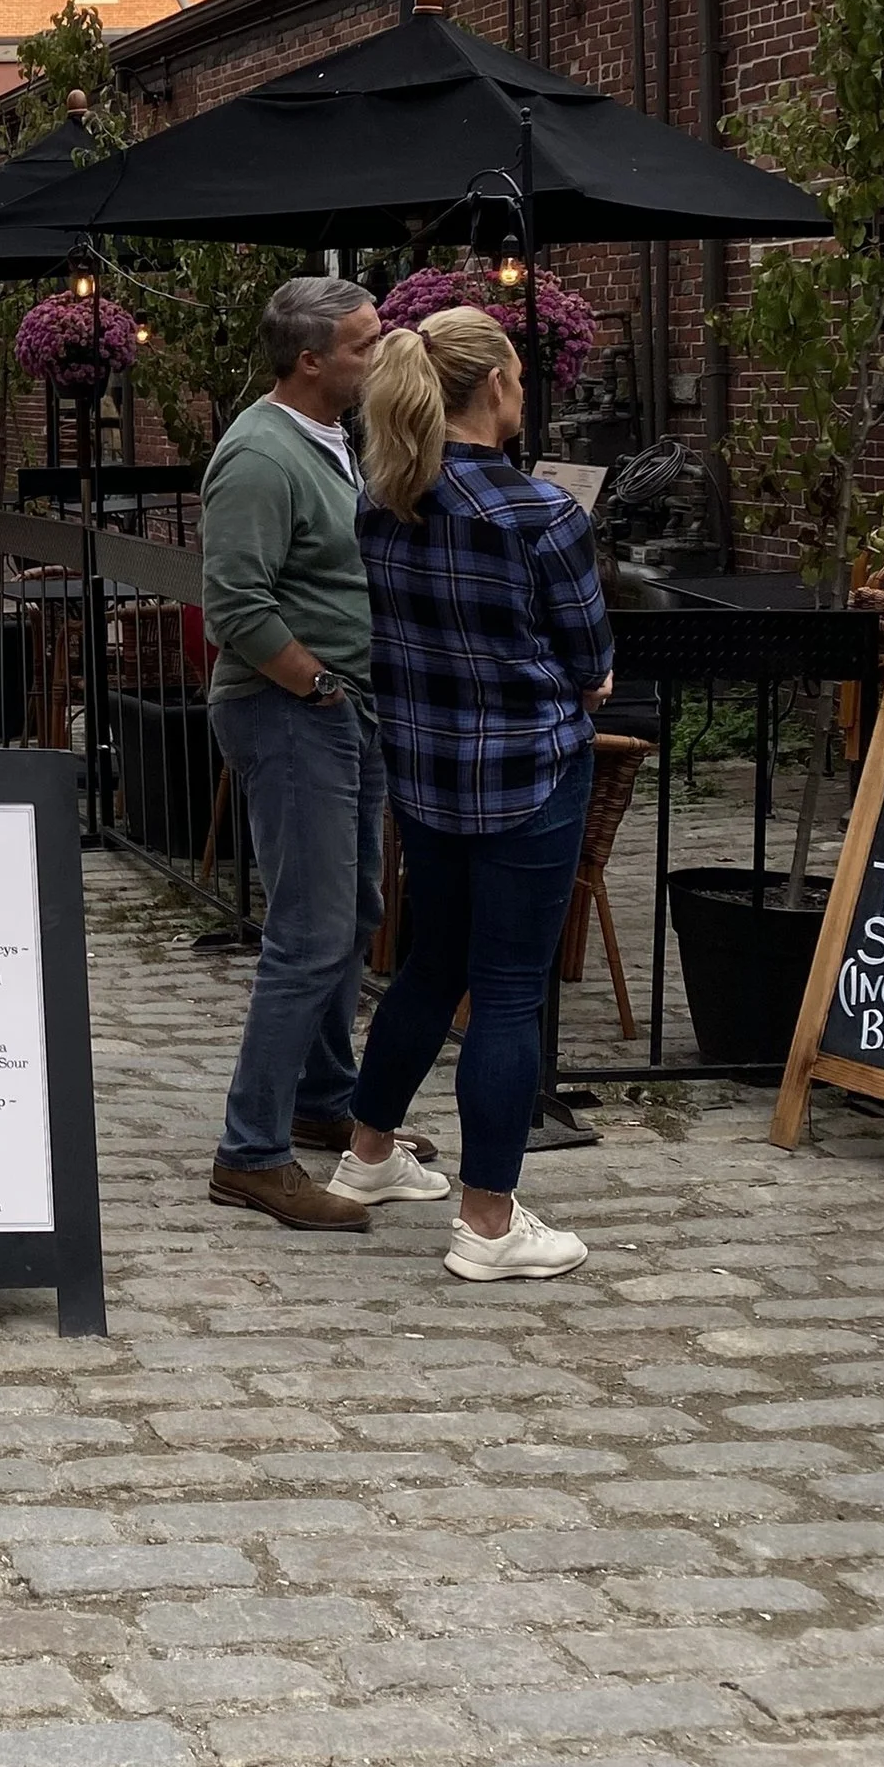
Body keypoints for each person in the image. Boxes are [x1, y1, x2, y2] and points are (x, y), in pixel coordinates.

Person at [337, 307, 612, 1280]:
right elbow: (591, 662)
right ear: (493, 383)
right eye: (521, 373)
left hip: (426, 775)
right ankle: (489, 1224)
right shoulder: (540, 513)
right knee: (504, 990)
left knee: (428, 964)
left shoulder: (384, 502)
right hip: (529, 777)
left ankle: (368, 1156)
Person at [201, 275, 420, 1229]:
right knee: (309, 931)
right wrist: (317, 683)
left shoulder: (334, 440)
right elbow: (237, 603)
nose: (381, 355)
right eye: (367, 344)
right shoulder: (258, 454)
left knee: (355, 908)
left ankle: (322, 1096)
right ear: (311, 359)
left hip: (344, 709)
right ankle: (250, 1150)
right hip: (293, 712)